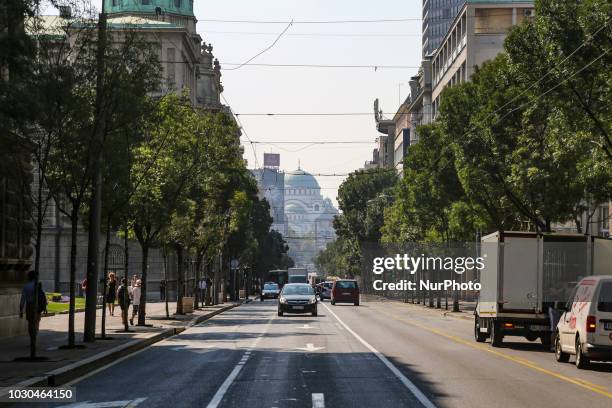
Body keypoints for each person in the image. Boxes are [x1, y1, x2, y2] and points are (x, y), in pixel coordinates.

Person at [19, 270, 47, 346]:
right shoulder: (37, 285)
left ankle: (32, 338)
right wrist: (44, 306)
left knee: (30, 323)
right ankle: (34, 338)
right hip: (37, 305)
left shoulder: (26, 286)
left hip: (29, 305)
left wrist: (21, 310)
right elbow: (43, 296)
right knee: (36, 322)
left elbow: (23, 299)